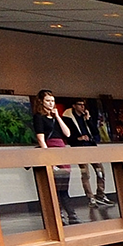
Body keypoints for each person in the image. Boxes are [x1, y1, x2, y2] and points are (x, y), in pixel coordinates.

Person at [30, 90, 78, 226]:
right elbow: (41, 138)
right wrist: (47, 158)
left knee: (64, 186)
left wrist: (57, 117)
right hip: (50, 148)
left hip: (61, 148)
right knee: (55, 186)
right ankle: (60, 215)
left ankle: (71, 215)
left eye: (52, 101)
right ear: (41, 102)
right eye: (48, 101)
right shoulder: (39, 117)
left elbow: (67, 133)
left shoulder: (56, 117)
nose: (51, 104)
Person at [64, 98, 112, 220]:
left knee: (100, 170)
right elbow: (68, 135)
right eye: (79, 105)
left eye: (83, 105)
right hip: (79, 148)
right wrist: (78, 139)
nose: (82, 107)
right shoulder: (69, 118)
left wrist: (88, 119)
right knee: (85, 173)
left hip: (90, 146)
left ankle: (100, 194)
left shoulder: (86, 117)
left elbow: (95, 132)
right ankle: (90, 197)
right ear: (74, 106)